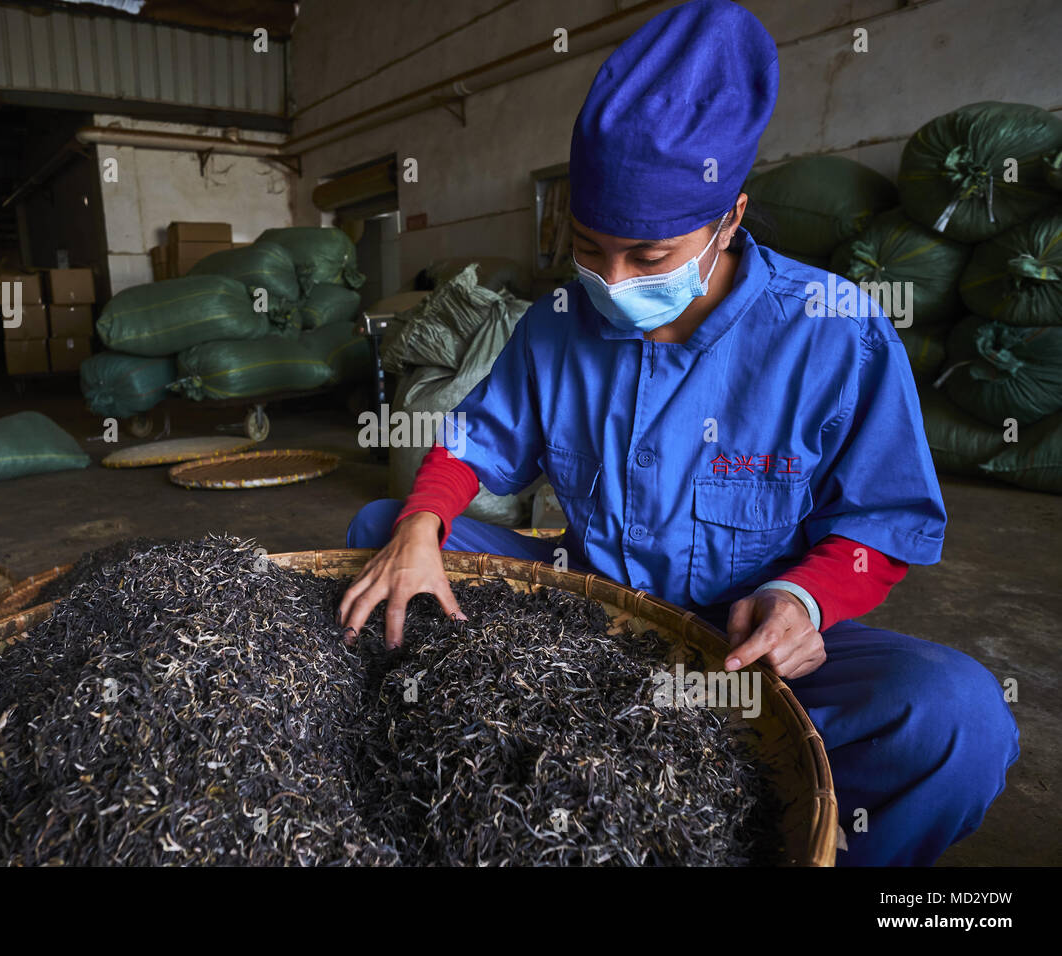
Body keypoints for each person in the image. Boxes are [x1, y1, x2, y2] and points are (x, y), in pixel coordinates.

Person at [339, 0, 1018, 867]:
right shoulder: (558, 319)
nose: (612, 281)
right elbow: (477, 442)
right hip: (588, 617)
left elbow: (883, 524)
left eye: (648, 256)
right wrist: (421, 524)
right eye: (589, 246)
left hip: (746, 653)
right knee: (380, 535)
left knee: (956, 716)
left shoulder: (835, 329)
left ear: (730, 217)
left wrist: (805, 600)